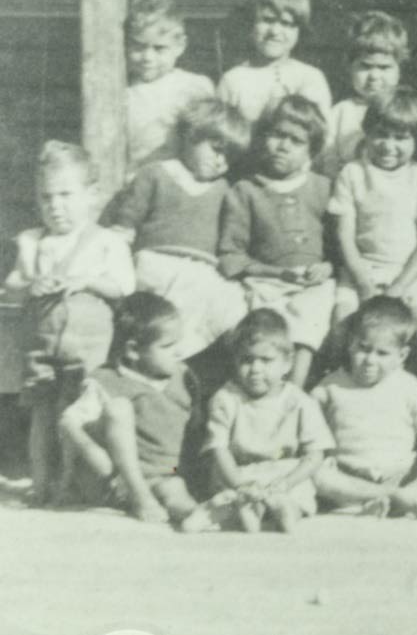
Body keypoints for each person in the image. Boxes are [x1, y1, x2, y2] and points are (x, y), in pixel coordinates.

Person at [5, 142, 134, 505]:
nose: (55, 206)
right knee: (42, 414)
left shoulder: (107, 242)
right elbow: (12, 284)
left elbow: (124, 286)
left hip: (88, 349)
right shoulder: (34, 241)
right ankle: (40, 482)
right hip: (42, 347)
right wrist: (32, 285)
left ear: (91, 195)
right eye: (47, 198)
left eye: (65, 195)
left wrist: (88, 281)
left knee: (76, 415)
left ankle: (69, 484)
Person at [105, 97, 252, 365]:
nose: (221, 162)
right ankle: (161, 360)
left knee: (232, 306)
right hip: (158, 262)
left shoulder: (223, 190)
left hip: (202, 268)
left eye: (229, 157)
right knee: (165, 313)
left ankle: (184, 364)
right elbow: (126, 222)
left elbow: (230, 238)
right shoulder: (156, 174)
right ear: (191, 136)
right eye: (216, 149)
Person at [57, 292, 215, 530]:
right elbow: (68, 422)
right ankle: (140, 497)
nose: (178, 352)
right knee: (119, 408)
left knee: (175, 491)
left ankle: (191, 514)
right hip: (114, 479)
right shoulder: (106, 380)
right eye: (168, 346)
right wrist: (91, 453)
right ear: (133, 350)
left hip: (162, 475)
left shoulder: (183, 377)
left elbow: (194, 428)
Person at [329, 87, 417, 390]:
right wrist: (365, 285)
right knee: (342, 327)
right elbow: (344, 236)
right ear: (366, 133)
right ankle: (339, 396)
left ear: (416, 140)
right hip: (361, 271)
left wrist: (398, 288)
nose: (389, 146)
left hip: (410, 275)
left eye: (401, 137)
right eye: (381, 134)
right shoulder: (352, 174)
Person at [218, 95, 334, 387]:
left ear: (312, 150)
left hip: (311, 283)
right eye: (277, 135)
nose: (283, 146)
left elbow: (338, 249)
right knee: (257, 326)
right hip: (265, 281)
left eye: (296, 141)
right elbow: (232, 256)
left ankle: (292, 393)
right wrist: (277, 274)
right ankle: (255, 391)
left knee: (312, 313)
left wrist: (327, 268)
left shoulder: (323, 188)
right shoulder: (245, 191)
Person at [311, 296, 417, 518]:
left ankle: (384, 499)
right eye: (363, 349)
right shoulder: (330, 387)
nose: (370, 360)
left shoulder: (409, 386)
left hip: (400, 472)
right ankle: (393, 498)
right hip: (349, 472)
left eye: (382, 353)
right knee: (317, 475)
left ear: (402, 355)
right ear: (350, 344)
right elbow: (311, 428)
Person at [203, 309, 334, 532]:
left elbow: (316, 453)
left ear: (287, 363)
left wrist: (287, 482)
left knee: (301, 487)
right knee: (224, 490)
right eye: (247, 360)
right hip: (240, 472)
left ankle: (285, 509)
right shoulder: (226, 398)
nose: (255, 369)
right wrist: (239, 484)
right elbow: (219, 449)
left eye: (266, 360)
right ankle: (247, 509)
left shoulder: (298, 400)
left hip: (283, 474)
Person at [215, 0, 332, 127]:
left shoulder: (310, 78)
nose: (275, 31)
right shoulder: (233, 80)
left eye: (286, 23)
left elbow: (321, 137)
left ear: (299, 30)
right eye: (267, 20)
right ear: (252, 23)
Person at [123, 0, 215, 178]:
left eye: (159, 48)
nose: (148, 57)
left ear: (180, 46)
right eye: (139, 47)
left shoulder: (194, 86)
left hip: (183, 182)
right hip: (138, 182)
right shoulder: (124, 94)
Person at [316, 10, 410, 177]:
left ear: (399, 69)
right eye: (365, 66)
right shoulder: (341, 112)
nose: (374, 76)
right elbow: (327, 155)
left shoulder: (404, 110)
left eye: (384, 67)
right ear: (349, 66)